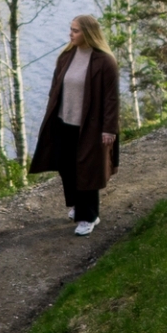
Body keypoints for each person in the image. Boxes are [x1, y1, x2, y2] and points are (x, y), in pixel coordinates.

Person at [27, 14, 121, 235]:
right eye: (71, 29)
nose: (71, 34)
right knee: (67, 167)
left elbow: (111, 98)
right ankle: (78, 206)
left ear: (88, 33)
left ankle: (89, 217)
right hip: (63, 122)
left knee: (87, 170)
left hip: (90, 126)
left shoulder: (105, 61)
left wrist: (109, 128)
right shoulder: (66, 56)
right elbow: (55, 87)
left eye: (76, 30)